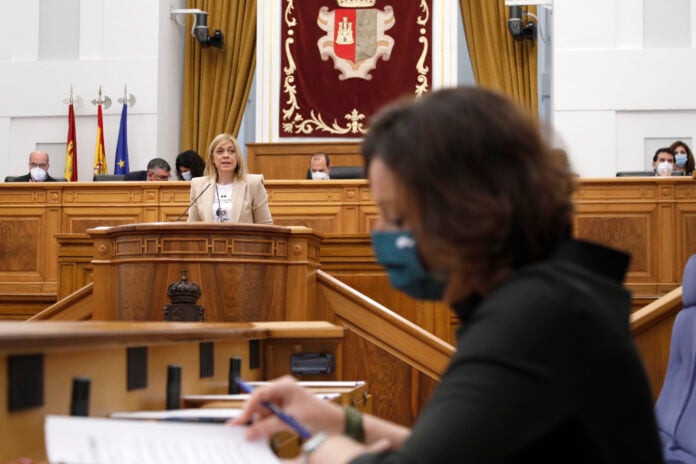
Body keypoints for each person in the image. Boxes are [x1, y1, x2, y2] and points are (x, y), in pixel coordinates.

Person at [231, 87, 664, 463]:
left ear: (465, 213)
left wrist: (319, 448)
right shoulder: (544, 296)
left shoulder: (538, 316)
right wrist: (337, 421)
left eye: (395, 216)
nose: (377, 232)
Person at [187, 133, 272, 224]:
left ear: (237, 157)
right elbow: (192, 226)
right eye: (220, 151)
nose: (226, 155)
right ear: (212, 158)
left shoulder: (254, 184)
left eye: (231, 151)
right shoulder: (199, 185)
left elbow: (265, 225)